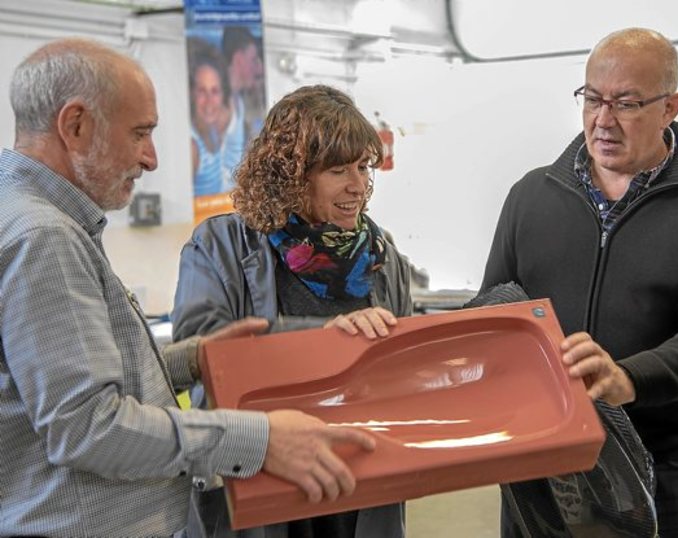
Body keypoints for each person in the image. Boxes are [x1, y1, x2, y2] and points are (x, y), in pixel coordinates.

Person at [0, 39, 376, 537]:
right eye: (140, 133)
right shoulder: (44, 236)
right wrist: (261, 440)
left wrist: (192, 359)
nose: (151, 158)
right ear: (75, 125)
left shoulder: (27, 217)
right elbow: (87, 427)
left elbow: (68, 382)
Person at [481, 27, 678, 537]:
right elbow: (492, 313)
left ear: (670, 107)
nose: (603, 120)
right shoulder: (531, 195)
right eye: (592, 99)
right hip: (543, 463)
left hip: (668, 471)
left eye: (626, 104)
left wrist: (628, 379)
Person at [172, 84, 412, 537]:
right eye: (338, 170)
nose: (358, 185)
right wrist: (326, 340)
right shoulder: (221, 246)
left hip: (358, 482)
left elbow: (403, 369)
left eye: (363, 167)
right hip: (262, 474)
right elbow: (202, 353)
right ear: (292, 176)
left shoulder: (381, 256)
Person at [188, 37, 244, 196]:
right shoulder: (192, 147)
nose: (209, 101)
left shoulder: (213, 132)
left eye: (215, 91)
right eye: (202, 91)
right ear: (192, 94)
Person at [221, 26, 265, 145]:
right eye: (253, 60)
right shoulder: (219, 104)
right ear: (239, 59)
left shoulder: (238, 102)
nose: (259, 69)